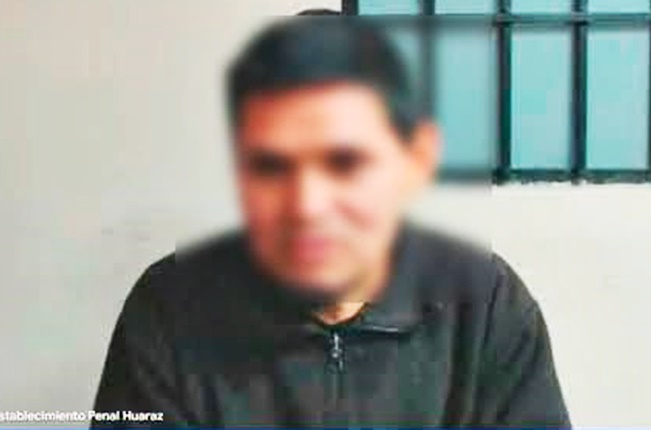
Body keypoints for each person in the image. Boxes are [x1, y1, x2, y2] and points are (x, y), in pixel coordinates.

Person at [91, 10, 570, 428]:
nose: (308, 205)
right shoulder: (169, 313)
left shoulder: (485, 308)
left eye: (344, 162)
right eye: (275, 164)